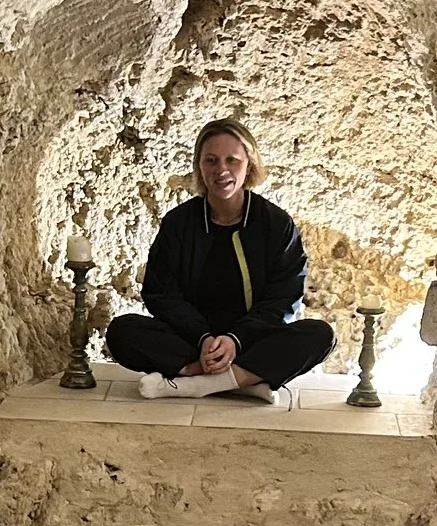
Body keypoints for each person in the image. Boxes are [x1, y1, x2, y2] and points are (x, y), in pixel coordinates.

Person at [103, 119, 335, 402]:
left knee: (320, 335)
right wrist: (203, 339)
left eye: (231, 160)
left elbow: (284, 298)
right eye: (211, 161)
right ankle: (243, 380)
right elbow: (160, 292)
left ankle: (193, 383)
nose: (221, 170)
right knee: (122, 331)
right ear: (199, 166)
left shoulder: (276, 224)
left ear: (249, 164)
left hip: (251, 342)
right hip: (191, 340)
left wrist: (235, 340)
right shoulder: (179, 223)